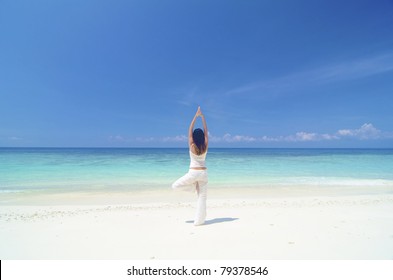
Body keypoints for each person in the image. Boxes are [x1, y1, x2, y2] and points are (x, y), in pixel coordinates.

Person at [172, 106, 209, 226]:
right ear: (203, 137)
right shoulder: (205, 145)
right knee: (202, 198)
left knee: (175, 186)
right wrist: (202, 117)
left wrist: (195, 116)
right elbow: (206, 131)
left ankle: (192, 189)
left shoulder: (192, 145)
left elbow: (189, 129)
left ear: (194, 136)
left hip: (193, 173)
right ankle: (199, 222)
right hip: (203, 173)